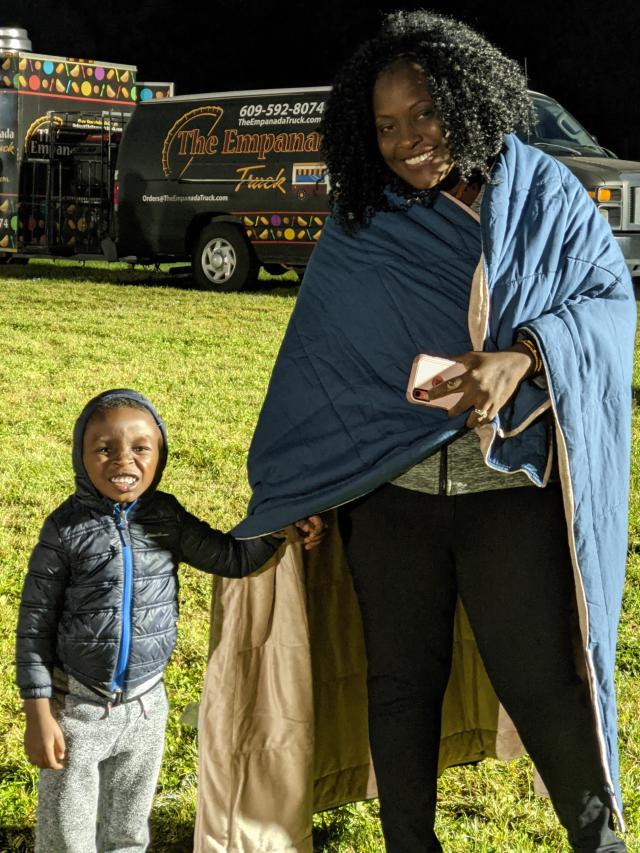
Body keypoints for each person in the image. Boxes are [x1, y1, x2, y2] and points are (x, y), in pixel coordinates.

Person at [195, 11, 635, 853]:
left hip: (506, 488)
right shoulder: (364, 218)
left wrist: (521, 358)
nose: (407, 141)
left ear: (467, 100)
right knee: (400, 682)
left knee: (543, 679)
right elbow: (318, 365)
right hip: (388, 500)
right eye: (386, 126)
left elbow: (608, 309)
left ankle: (600, 843)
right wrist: (304, 488)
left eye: (424, 114)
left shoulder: (544, 194)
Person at [15, 388, 323, 853]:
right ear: (81, 455)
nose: (124, 461)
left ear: (160, 455)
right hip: (75, 708)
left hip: (146, 706)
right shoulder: (65, 529)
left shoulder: (167, 517)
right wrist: (39, 714)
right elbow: (34, 625)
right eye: (105, 448)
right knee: (67, 838)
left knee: (127, 832)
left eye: (141, 448)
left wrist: (280, 526)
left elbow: (232, 557)